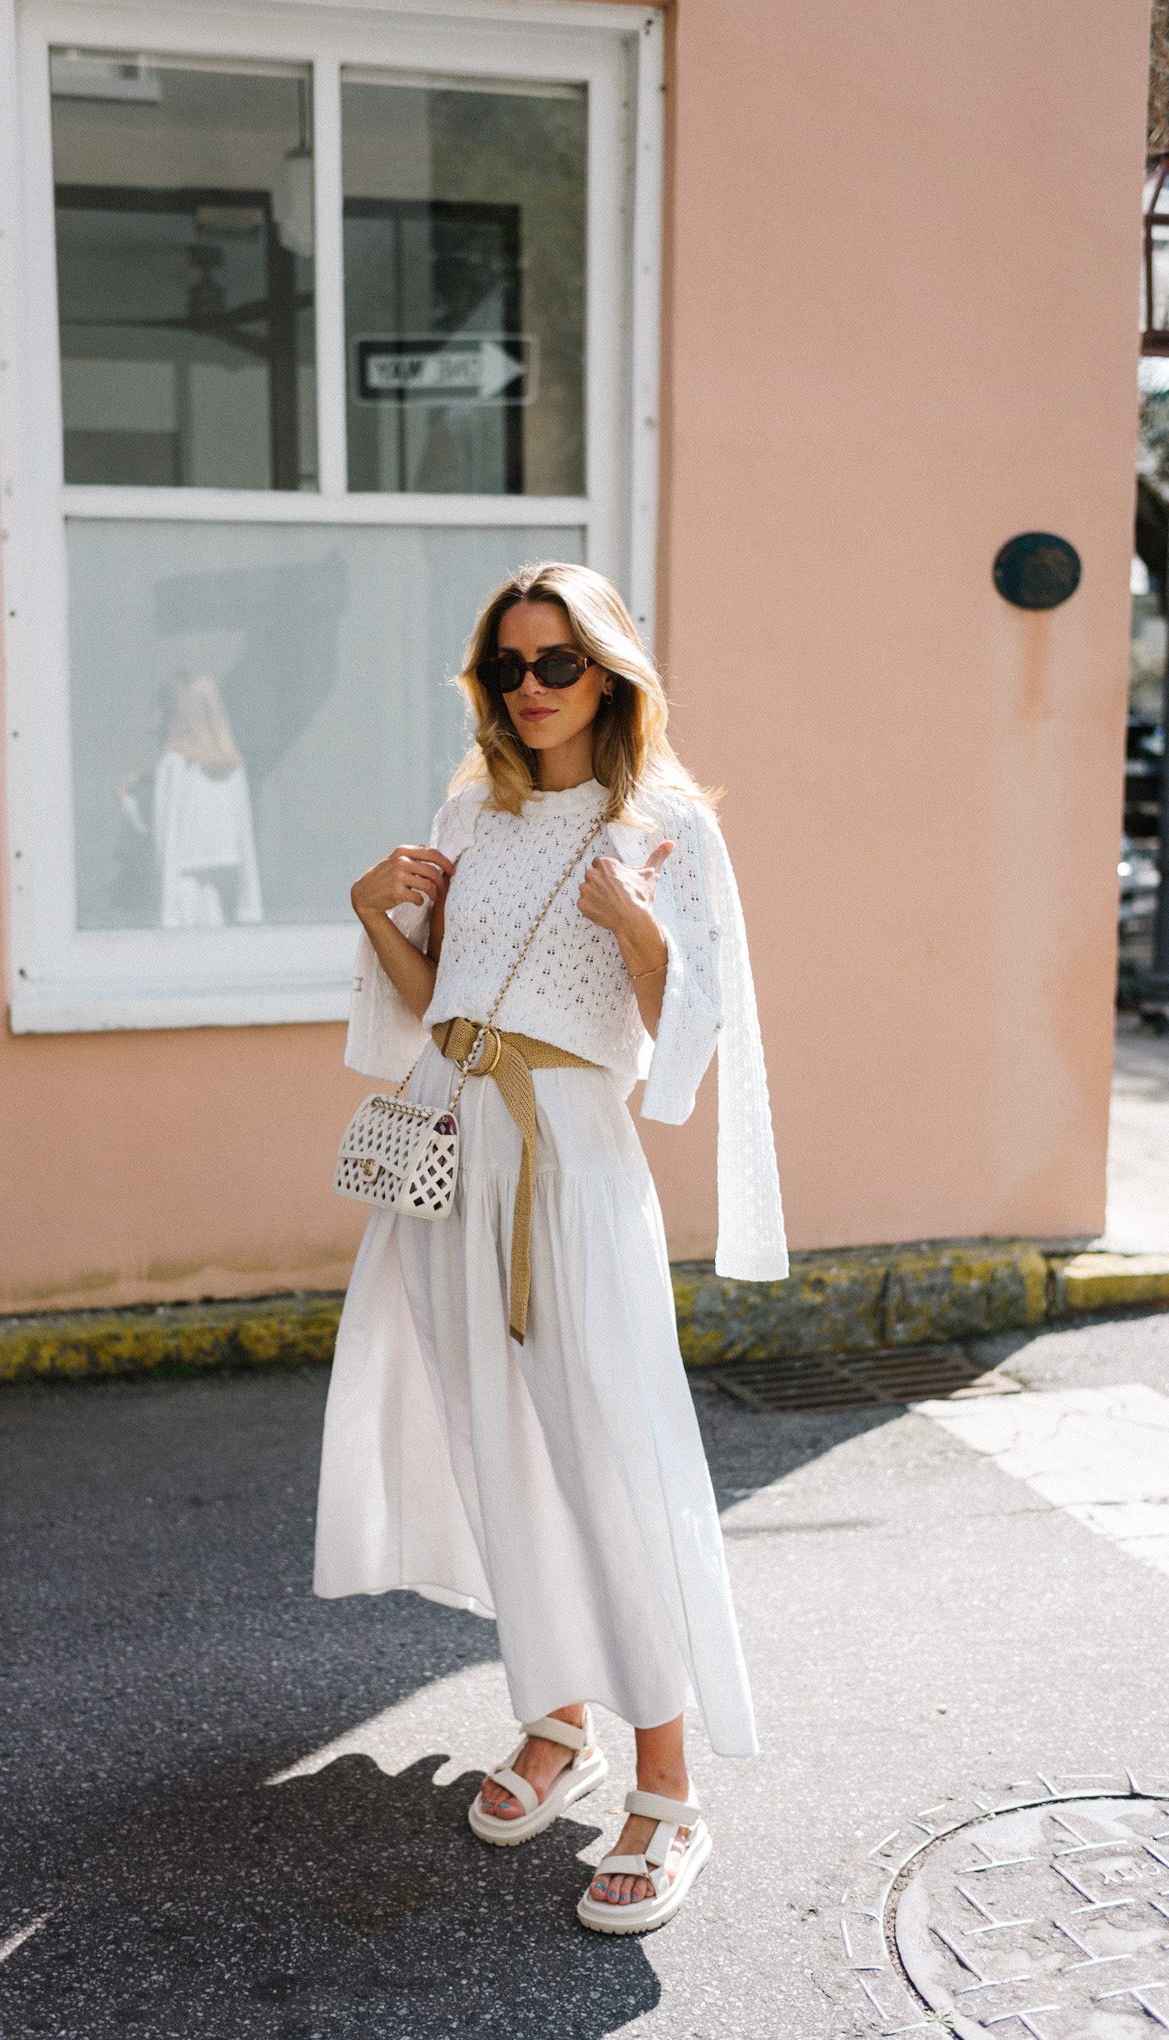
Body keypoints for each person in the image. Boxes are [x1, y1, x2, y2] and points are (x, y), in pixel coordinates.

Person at [314, 561, 789, 1934]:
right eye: (508, 666)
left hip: (571, 1167)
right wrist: (371, 913)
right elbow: (438, 1006)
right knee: (492, 1446)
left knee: (608, 1460)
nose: (530, 688)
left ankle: (667, 1789)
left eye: (557, 663)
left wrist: (638, 925)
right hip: (448, 1150)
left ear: (611, 675)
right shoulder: (473, 808)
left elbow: (692, 1041)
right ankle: (555, 1713)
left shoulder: (667, 824)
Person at [117, 672, 263, 928]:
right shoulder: (232, 769)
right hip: (223, 897)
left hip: (179, 895)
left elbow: (164, 839)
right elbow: (246, 844)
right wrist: (250, 908)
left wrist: (129, 803)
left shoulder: (174, 767)